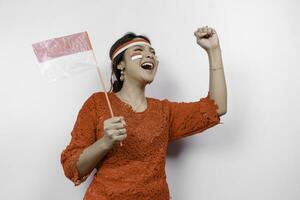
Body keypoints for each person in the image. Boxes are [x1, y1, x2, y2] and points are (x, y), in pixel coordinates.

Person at [60, 26, 227, 200]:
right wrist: (105, 142)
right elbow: (71, 167)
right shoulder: (98, 103)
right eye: (139, 50)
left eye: (152, 52)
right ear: (120, 64)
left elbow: (217, 107)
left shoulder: (164, 111)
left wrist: (213, 51)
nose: (150, 55)